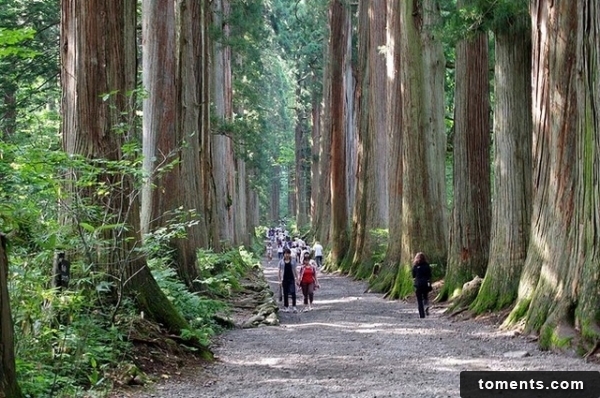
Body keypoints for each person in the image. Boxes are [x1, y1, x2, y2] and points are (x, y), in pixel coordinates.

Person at [278, 248, 299, 313]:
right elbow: (279, 272)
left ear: (290, 254)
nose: (286, 255)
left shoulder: (293, 261)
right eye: (285, 253)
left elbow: (295, 270)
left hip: (292, 279)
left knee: (293, 292)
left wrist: (297, 278)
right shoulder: (281, 262)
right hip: (284, 279)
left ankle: (294, 306)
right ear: (283, 254)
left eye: (288, 253)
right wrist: (279, 280)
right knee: (285, 293)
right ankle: (286, 307)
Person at [412, 252, 432, 318]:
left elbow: (413, 275)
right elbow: (429, 275)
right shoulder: (426, 265)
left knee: (419, 299)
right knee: (425, 296)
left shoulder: (415, 266)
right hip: (425, 283)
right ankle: (426, 305)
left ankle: (421, 314)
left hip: (418, 284)